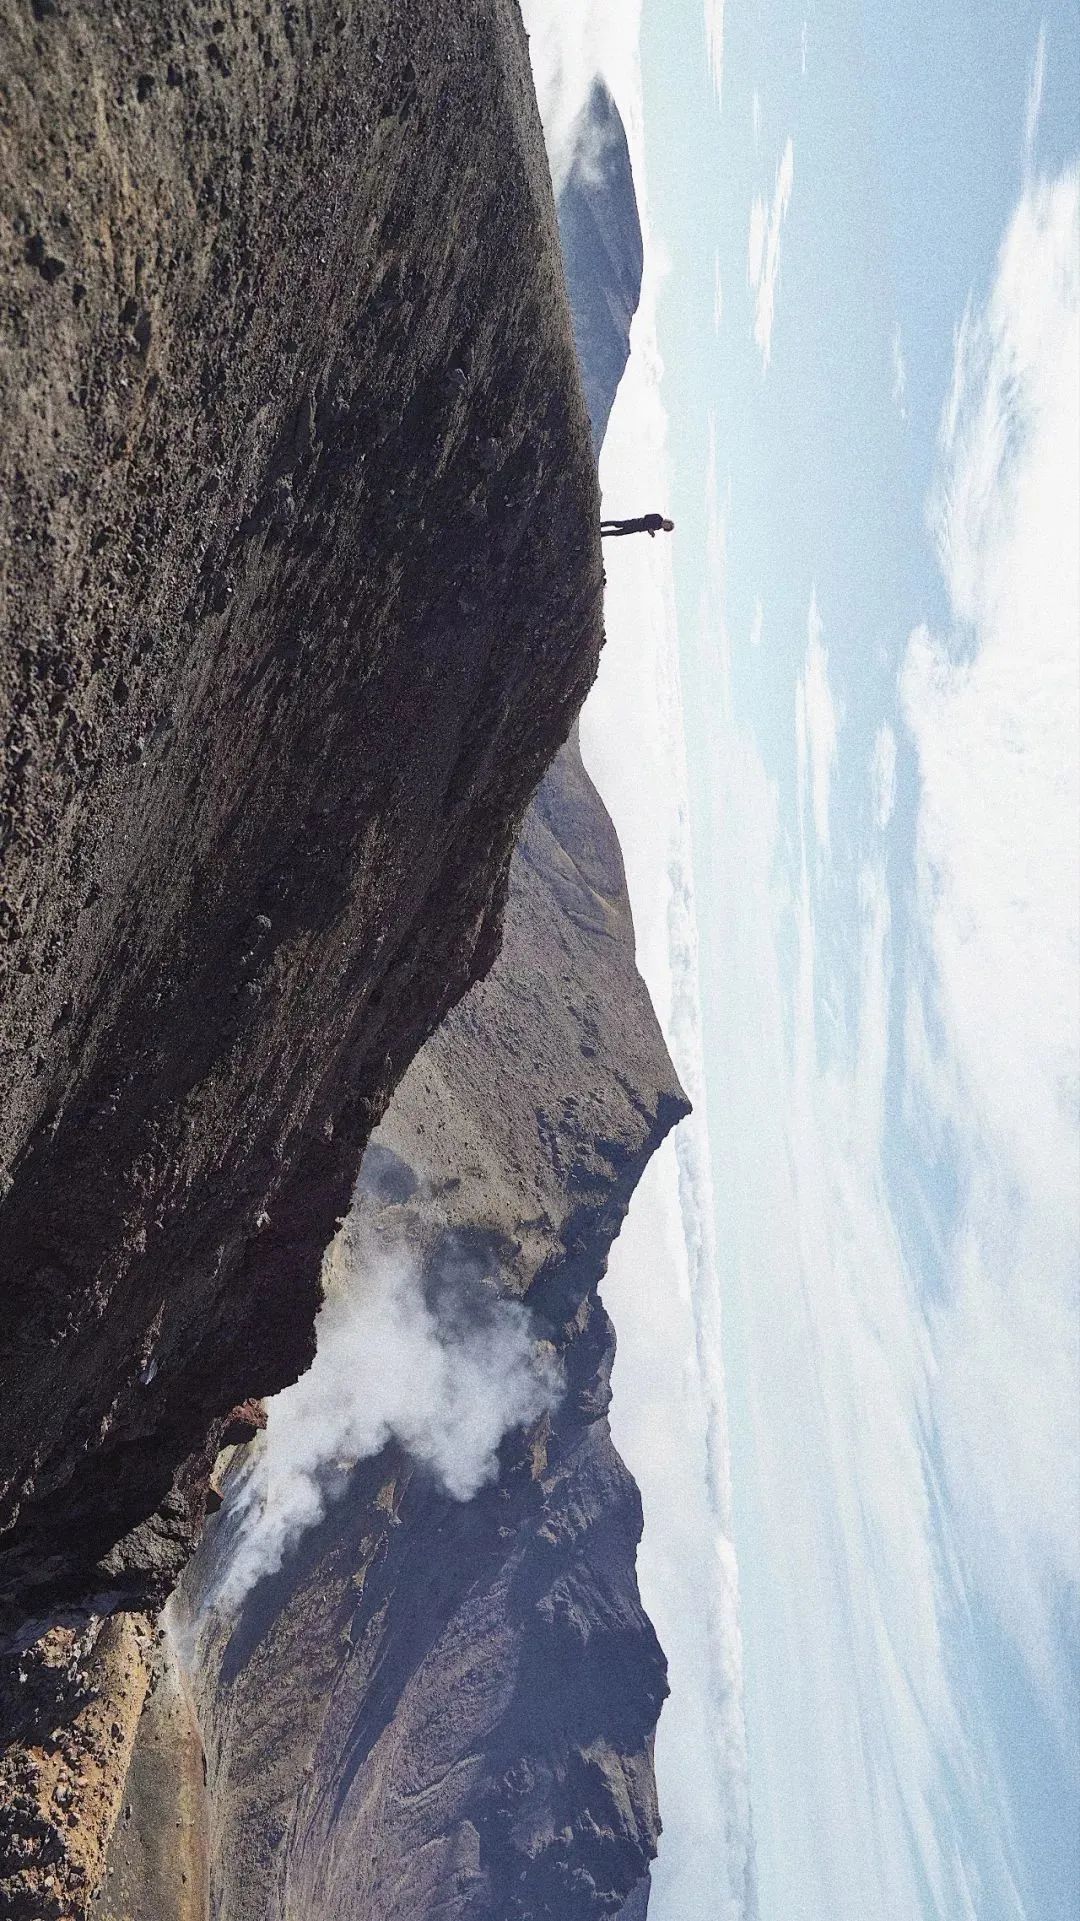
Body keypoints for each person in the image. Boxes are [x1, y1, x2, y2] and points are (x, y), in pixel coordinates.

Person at [600, 512, 675, 538]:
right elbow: (647, 516)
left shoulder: (658, 527)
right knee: (618, 524)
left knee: (618, 533)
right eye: (667, 524)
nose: (665, 526)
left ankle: (602, 534)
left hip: (637, 529)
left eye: (667, 527)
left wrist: (651, 532)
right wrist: (650, 528)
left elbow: (648, 528)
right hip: (636, 522)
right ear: (666, 521)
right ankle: (601, 525)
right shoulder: (658, 517)